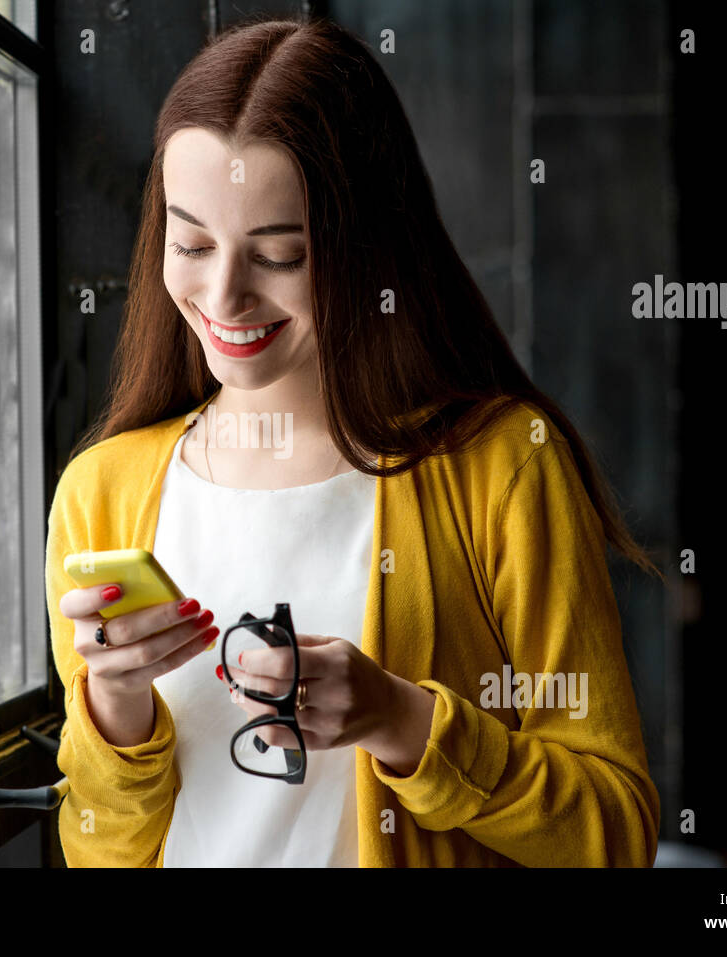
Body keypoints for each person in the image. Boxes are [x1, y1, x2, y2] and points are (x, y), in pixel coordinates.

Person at [44, 16, 661, 867]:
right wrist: (115, 709)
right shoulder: (100, 493)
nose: (223, 295)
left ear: (370, 252)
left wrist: (400, 719)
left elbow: (615, 833)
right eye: (190, 243)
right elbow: (99, 850)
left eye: (281, 255)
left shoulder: (503, 463)